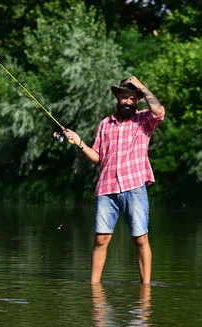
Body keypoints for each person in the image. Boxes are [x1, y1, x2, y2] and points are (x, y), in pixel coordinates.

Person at [58, 76, 164, 284]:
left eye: (134, 99)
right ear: (117, 97)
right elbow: (98, 158)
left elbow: (159, 111)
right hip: (106, 189)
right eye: (125, 97)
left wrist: (142, 86)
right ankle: (94, 287)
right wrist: (79, 142)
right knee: (100, 239)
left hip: (134, 187)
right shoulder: (105, 124)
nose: (129, 102)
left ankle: (146, 287)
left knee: (141, 239)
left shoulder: (143, 120)